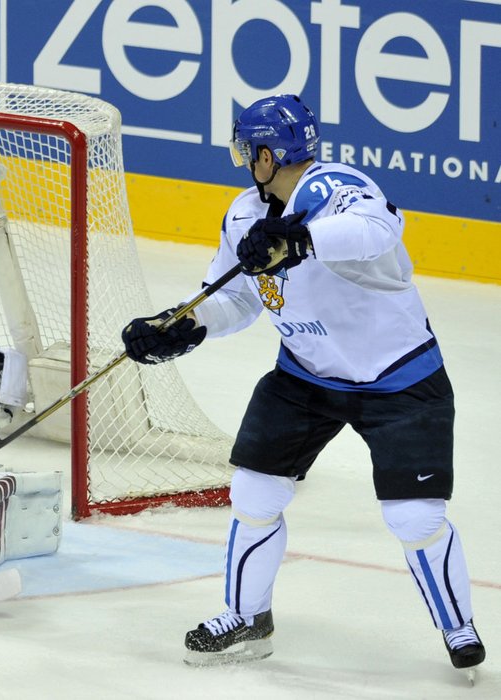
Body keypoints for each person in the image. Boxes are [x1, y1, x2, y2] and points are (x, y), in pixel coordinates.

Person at [121, 94, 485, 673]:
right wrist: (186, 325)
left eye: (248, 150)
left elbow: (380, 227)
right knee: (255, 493)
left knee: (415, 518)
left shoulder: (336, 186)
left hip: (399, 380)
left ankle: (457, 626)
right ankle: (247, 618)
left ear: (268, 153)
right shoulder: (244, 214)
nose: (243, 160)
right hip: (305, 375)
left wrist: (300, 241)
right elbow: (235, 298)